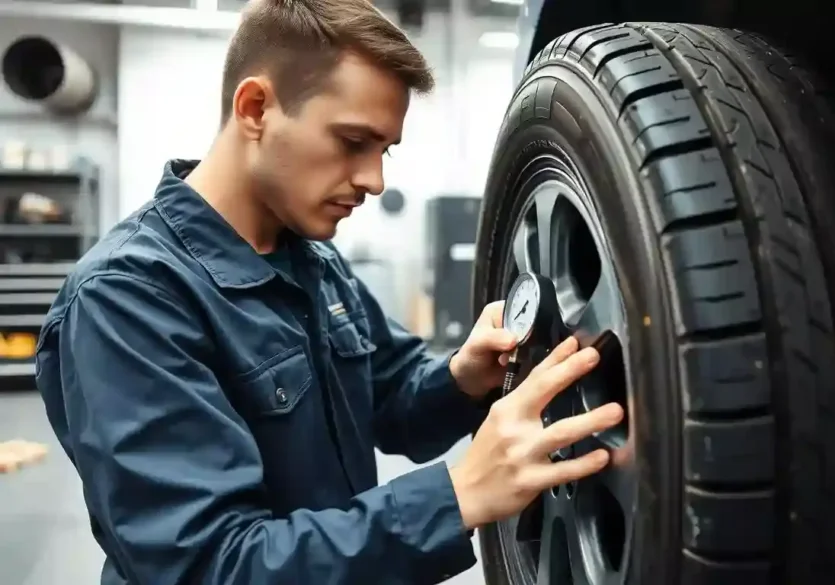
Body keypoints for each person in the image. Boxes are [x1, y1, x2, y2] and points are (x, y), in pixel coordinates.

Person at [33, 0, 625, 583]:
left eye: (383, 150)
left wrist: (462, 376)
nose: (374, 180)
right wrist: (457, 494)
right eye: (352, 143)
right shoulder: (127, 298)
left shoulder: (311, 258)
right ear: (256, 107)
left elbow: (393, 405)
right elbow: (209, 566)